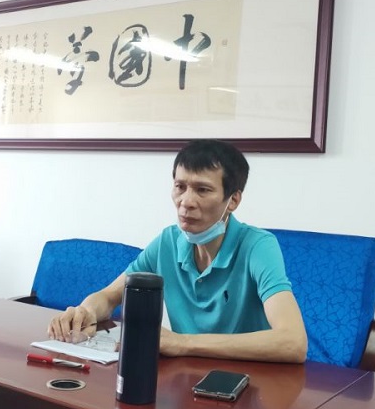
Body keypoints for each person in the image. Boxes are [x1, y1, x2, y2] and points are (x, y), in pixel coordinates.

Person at [47, 139, 308, 363]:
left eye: (202, 190)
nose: (186, 202)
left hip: (247, 382)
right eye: (180, 187)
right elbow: (110, 295)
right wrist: (85, 312)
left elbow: (293, 342)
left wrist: (182, 343)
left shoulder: (258, 246)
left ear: (233, 200)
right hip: (188, 377)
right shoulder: (168, 242)